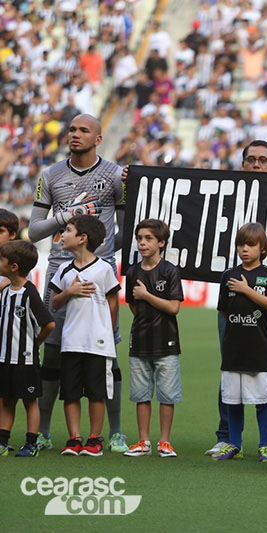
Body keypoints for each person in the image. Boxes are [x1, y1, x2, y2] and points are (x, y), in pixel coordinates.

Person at [29, 113, 127, 453]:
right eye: (72, 129)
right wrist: (68, 215)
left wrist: (106, 254)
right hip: (60, 274)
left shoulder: (116, 175)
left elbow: (126, 227)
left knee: (107, 356)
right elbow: (34, 230)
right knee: (53, 354)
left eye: (84, 130)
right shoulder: (50, 175)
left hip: (101, 276)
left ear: (98, 138)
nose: (75, 134)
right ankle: (42, 431)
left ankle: (114, 432)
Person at [205, 140, 267, 459]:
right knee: (233, 361)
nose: (256, 165)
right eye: (250, 160)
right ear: (242, 164)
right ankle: (228, 436)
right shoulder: (227, 197)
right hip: (233, 290)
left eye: (263, 160)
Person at [49, 216, 120, 456]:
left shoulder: (104, 269)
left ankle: (94, 438)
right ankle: (74, 438)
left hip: (98, 343)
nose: (63, 235)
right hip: (71, 341)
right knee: (70, 392)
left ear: (82, 238)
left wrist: (107, 331)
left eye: (67, 230)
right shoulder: (64, 270)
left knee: (96, 392)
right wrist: (69, 291)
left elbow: (113, 302)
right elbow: (55, 303)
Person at [213, 223, 267, 462]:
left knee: (263, 399)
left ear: (262, 248)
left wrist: (246, 289)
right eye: (241, 244)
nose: (244, 249)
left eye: (250, 245)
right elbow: (223, 310)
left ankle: (264, 446)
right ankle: (234, 445)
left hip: (258, 347)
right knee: (233, 399)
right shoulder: (228, 275)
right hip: (233, 347)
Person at [123, 219, 184, 458]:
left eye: (148, 239)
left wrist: (147, 296)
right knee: (141, 394)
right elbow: (133, 306)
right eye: (139, 238)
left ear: (161, 242)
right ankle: (143, 441)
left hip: (167, 343)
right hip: (139, 342)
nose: (142, 243)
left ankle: (165, 442)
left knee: (167, 396)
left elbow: (173, 307)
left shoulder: (169, 271)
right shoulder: (132, 272)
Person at [0, 241, 55, 457]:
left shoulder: (29, 293)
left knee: (30, 400)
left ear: (13, 266)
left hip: (25, 360)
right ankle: (3, 441)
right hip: (5, 357)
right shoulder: (5, 291)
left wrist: (36, 342)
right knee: (6, 399)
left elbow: (49, 324)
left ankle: (31, 442)